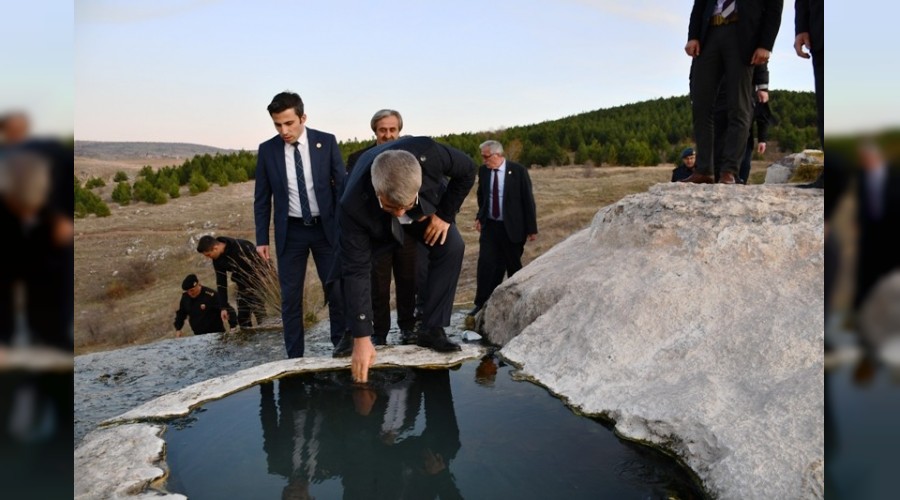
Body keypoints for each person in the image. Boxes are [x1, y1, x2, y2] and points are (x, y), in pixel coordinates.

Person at [331, 137, 476, 383]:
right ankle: (351, 331)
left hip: (424, 212)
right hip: (373, 219)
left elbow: (468, 170)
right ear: (378, 192)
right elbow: (356, 269)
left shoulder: (432, 155)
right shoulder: (352, 203)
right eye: (392, 206)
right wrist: (362, 336)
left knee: (452, 245)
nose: (400, 213)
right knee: (342, 270)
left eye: (404, 206)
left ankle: (432, 328)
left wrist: (444, 215)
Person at [254, 91, 347, 358]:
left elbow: (341, 188)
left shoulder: (326, 143)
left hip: (325, 231)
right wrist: (262, 239)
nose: (284, 130)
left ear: (302, 117)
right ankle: (294, 356)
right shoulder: (267, 150)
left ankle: (341, 346)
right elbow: (262, 199)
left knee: (336, 290)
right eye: (277, 124)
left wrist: (346, 229)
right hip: (290, 233)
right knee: (290, 297)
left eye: (289, 123)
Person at [682, 0, 783, 185]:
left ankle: (729, 171)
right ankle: (704, 170)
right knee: (701, 105)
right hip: (709, 33)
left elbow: (774, 6)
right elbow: (699, 4)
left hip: (743, 34)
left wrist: (766, 44)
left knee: (739, 106)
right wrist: (693, 35)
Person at [347, 110, 418, 346]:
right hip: (376, 233)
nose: (388, 135)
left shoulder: (412, 155)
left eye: (392, 130)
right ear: (374, 131)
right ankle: (379, 333)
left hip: (407, 229)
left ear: (399, 130)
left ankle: (408, 327)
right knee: (378, 284)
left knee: (407, 280)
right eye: (382, 130)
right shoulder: (358, 158)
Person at [470, 140, 537, 317]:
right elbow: (482, 196)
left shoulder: (518, 171)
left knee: (512, 264)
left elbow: (527, 200)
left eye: (486, 156)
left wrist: (531, 228)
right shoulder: (484, 171)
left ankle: (516, 303)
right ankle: (481, 304)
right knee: (486, 264)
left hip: (513, 227)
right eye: (482, 157)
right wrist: (480, 216)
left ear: (498, 155)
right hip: (490, 226)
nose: (484, 160)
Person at [712, 63, 773, 183]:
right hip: (722, 132)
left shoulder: (754, 90)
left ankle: (737, 181)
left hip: (745, 139)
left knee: (743, 169)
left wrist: (762, 139)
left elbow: (763, 114)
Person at [196, 234, 267, 329]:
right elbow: (221, 283)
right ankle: (249, 343)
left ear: (215, 248)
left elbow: (264, 264)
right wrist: (223, 307)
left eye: (208, 255)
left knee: (261, 316)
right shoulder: (217, 259)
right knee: (243, 320)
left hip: (258, 284)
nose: (208, 258)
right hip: (242, 287)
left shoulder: (242, 246)